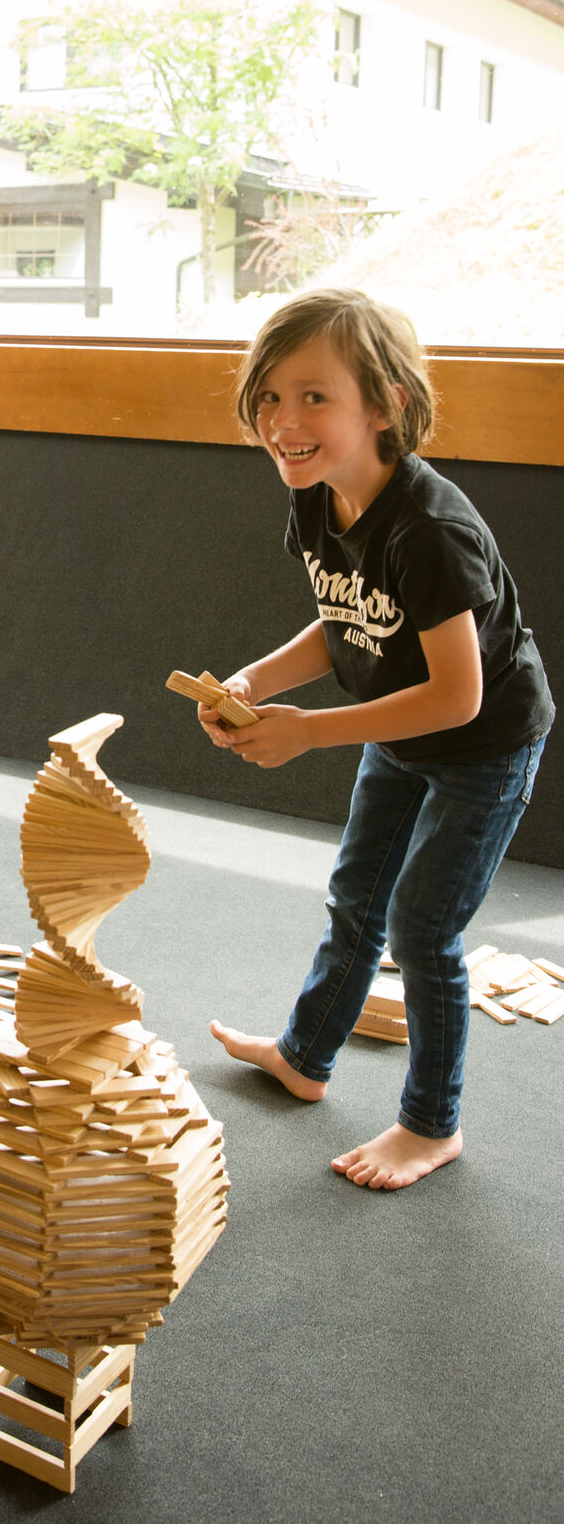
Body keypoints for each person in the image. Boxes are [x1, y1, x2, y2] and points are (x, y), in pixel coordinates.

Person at [197, 289, 551, 1190]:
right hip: (400, 725)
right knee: (357, 897)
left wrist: (311, 731)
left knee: (423, 928)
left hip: (482, 745)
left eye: (314, 397)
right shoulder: (319, 497)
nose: (283, 422)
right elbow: (345, 619)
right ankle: (305, 1057)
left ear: (386, 404)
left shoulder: (430, 530)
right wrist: (254, 682)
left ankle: (432, 1126)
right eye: (269, 398)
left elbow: (460, 697)